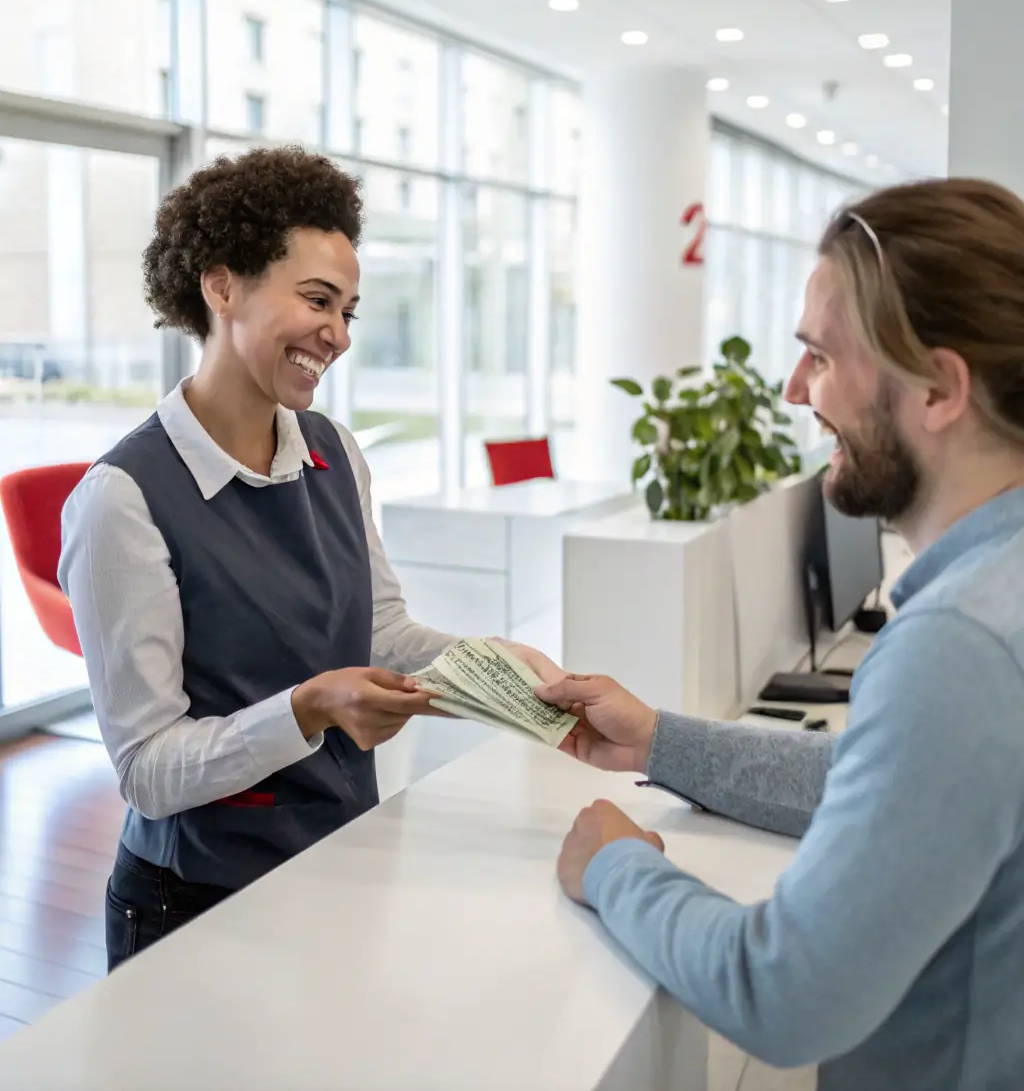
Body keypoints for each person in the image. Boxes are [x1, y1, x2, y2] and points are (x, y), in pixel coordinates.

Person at [538, 177, 1024, 1090]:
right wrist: (662, 741)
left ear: (940, 388)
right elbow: (882, 786)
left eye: (821, 356)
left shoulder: (960, 644)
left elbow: (784, 990)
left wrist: (614, 868)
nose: (798, 388)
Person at [59, 145, 557, 972]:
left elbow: (381, 629)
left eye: (350, 310)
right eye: (318, 299)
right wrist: (309, 708)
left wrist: (487, 664)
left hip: (338, 855)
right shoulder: (125, 497)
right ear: (222, 287)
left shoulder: (333, 451)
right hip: (194, 902)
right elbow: (148, 768)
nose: (338, 334)